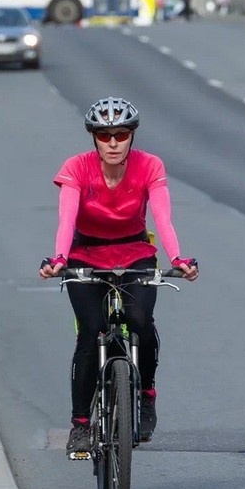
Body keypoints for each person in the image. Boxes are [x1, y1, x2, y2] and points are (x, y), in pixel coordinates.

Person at [39, 96, 199, 456]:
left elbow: (163, 217)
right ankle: (80, 425)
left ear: (132, 136)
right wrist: (60, 258)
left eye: (121, 134)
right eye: (104, 134)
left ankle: (144, 396)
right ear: (94, 137)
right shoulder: (77, 167)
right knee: (91, 331)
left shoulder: (150, 166)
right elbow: (66, 219)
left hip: (135, 254)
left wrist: (178, 258)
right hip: (85, 256)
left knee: (140, 321)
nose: (113, 142)